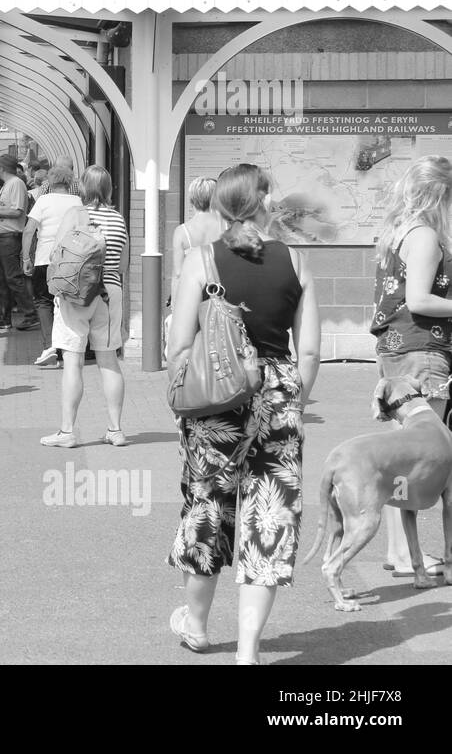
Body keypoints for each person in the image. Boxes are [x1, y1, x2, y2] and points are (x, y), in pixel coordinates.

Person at [165, 164, 320, 666]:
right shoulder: (294, 260)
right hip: (277, 397)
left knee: (207, 508)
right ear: (262, 201)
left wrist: (186, 405)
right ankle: (249, 651)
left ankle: (198, 626)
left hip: (216, 400)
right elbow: (310, 352)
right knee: (269, 514)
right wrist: (293, 400)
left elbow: (179, 346)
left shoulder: (200, 260)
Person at [370, 154, 452, 578]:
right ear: (440, 195)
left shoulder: (399, 232)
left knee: (399, 456)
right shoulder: (426, 237)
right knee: (423, 456)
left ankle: (399, 552)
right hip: (422, 351)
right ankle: (407, 556)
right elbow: (420, 300)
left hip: (398, 352)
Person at [41, 165, 130, 447]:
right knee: (109, 360)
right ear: (109, 188)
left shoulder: (76, 214)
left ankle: (67, 432)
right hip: (110, 292)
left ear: (83, 187)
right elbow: (124, 265)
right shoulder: (118, 219)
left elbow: (58, 253)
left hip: (78, 294)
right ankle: (115, 430)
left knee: (73, 360)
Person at [28, 167, 82, 368]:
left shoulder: (43, 200)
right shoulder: (77, 202)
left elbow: (29, 230)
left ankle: (49, 347)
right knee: (64, 302)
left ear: (50, 181)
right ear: (69, 182)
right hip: (69, 260)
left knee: (43, 302)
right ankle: (64, 349)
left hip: (44, 258)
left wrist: (26, 256)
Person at [0, 154, 39, 331]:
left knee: (13, 278)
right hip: (2, 237)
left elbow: (17, 211)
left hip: (10, 237)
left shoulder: (15, 184)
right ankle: (3, 315)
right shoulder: (8, 185)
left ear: (1, 168)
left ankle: (30, 313)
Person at [169, 177, 224, 308]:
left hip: (192, 296)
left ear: (191, 199)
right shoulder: (226, 227)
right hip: (220, 293)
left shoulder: (182, 232)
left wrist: (174, 306)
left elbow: (178, 274)